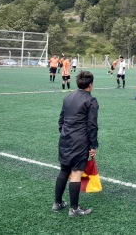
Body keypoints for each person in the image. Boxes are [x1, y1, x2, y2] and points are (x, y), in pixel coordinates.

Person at [53, 70, 98, 217]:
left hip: (65, 138)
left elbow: (61, 120)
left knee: (64, 170)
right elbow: (92, 125)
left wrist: (66, 133)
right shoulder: (91, 101)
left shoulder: (68, 97)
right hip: (80, 141)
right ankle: (74, 209)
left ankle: (57, 203)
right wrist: (93, 145)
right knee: (76, 173)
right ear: (90, 85)